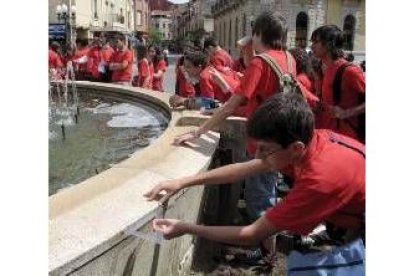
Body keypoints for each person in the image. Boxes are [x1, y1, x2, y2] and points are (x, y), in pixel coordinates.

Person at [145, 92, 365, 275]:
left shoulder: (319, 178)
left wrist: (186, 228)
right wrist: (182, 182)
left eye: (264, 149)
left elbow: (252, 233)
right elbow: (243, 169)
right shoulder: (306, 143)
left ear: (295, 148)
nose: (257, 155)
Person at [172, 11, 297, 260]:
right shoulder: (287, 58)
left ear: (258, 34)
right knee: (265, 192)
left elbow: (231, 105)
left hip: (263, 143)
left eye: (253, 33)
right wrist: (248, 47)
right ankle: (264, 246)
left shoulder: (261, 63)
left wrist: (198, 131)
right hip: (281, 137)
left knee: (259, 198)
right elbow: (261, 80)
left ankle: (265, 253)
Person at [310, 25, 365, 142]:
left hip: (346, 139)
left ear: (329, 43)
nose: (311, 46)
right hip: (324, 134)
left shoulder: (349, 71)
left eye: (316, 42)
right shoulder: (318, 68)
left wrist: (348, 112)